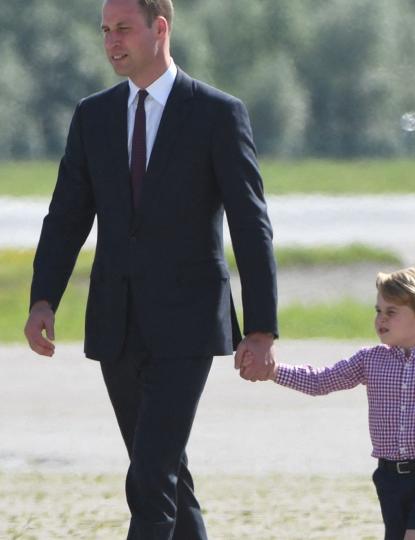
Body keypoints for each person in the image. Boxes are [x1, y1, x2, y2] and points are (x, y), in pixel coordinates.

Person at [22, 0, 278, 537]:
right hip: (117, 322)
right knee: (164, 473)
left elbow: (250, 224)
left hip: (188, 323)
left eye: (123, 29)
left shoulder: (216, 113)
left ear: (159, 28)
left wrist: (260, 327)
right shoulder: (93, 115)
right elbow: (67, 216)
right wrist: (43, 298)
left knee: (149, 476)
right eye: (105, 31)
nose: (112, 42)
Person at [254, 267, 415, 540]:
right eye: (378, 310)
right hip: (389, 478)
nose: (380, 319)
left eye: (391, 312)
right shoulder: (369, 360)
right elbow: (321, 381)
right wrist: (274, 371)